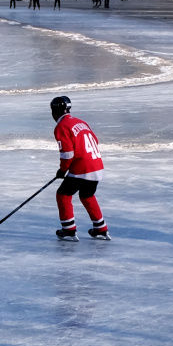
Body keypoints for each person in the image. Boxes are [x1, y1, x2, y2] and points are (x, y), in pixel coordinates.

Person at [50, 95, 108, 242]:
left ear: (54, 112)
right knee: (87, 196)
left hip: (82, 168)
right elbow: (95, 140)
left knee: (63, 195)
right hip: (97, 166)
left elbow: (67, 154)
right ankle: (100, 229)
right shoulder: (81, 122)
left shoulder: (61, 127)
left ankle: (69, 231)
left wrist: (62, 170)